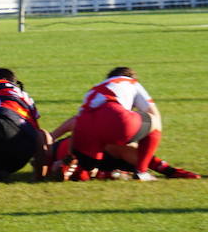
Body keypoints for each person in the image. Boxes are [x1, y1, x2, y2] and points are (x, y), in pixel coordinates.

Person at [48, 67, 198, 181]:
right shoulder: (131, 83)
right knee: (152, 123)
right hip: (80, 142)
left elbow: (78, 121)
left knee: (91, 166)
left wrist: (55, 140)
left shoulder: (97, 90)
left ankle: (67, 166)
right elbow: (154, 114)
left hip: (82, 140)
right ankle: (143, 172)